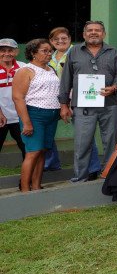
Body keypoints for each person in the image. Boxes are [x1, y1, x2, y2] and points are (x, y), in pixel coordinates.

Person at [58, 21, 117, 182]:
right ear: (84, 34)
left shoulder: (113, 52)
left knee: (111, 141)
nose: (93, 33)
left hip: (109, 104)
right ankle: (80, 177)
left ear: (104, 34)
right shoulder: (74, 51)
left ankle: (109, 175)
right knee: (82, 143)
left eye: (97, 30)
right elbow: (66, 79)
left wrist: (114, 87)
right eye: (90, 30)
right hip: (82, 106)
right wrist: (63, 104)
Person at [11, 39, 60, 191]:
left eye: (50, 50)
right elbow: (18, 97)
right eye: (44, 51)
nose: (49, 53)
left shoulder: (51, 69)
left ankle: (37, 186)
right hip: (34, 114)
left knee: (43, 150)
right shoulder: (26, 71)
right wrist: (26, 122)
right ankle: (25, 189)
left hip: (51, 115)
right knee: (33, 151)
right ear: (33, 53)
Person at [45, 27, 77, 171]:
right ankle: (51, 164)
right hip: (51, 100)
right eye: (56, 39)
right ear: (51, 41)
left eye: (64, 38)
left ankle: (89, 167)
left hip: (73, 98)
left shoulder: (77, 52)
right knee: (47, 132)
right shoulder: (49, 56)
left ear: (69, 39)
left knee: (83, 131)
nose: (60, 41)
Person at [0, 39, 25, 159]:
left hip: (20, 117)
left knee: (26, 148)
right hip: (1, 117)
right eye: (2, 50)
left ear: (16, 52)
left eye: (10, 50)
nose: (6, 53)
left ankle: (28, 177)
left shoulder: (23, 68)